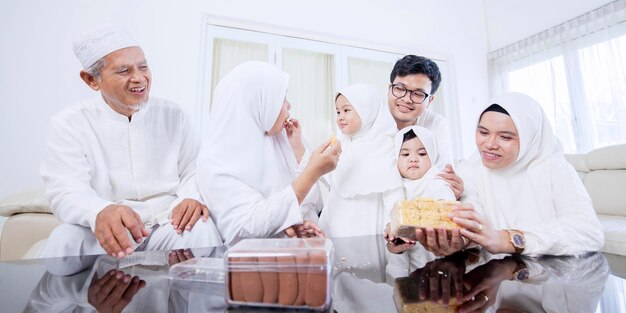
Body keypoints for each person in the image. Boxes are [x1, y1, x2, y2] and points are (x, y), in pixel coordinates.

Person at [39, 24, 222, 259]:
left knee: (203, 230)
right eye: (124, 70)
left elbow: (194, 169)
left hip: (165, 222)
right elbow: (65, 189)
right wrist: (100, 211)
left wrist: (191, 197)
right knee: (64, 241)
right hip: (106, 227)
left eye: (143, 67)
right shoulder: (69, 123)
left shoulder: (174, 116)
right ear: (91, 80)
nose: (139, 78)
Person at [196, 61, 341, 245]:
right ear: (258, 101)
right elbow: (248, 225)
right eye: (282, 98)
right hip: (250, 267)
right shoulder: (213, 162)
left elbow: (312, 203)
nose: (289, 105)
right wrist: (312, 173)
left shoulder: (282, 136)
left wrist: (293, 225)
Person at [451, 92, 604, 256]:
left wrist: (508, 239)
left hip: (553, 272)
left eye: (505, 137)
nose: (489, 144)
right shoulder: (469, 169)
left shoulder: (555, 167)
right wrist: (462, 241)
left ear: (529, 138)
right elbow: (473, 220)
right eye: (483, 133)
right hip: (492, 273)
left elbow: (589, 232)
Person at [317, 84, 403, 238]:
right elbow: (332, 182)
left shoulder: (385, 146)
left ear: (366, 111)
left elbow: (393, 192)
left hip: (368, 229)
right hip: (336, 225)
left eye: (346, 110)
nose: (340, 117)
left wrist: (396, 226)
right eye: (337, 111)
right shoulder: (341, 143)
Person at [385, 55, 464, 199]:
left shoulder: (436, 124)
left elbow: (442, 176)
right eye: (400, 88)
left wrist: (449, 189)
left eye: (418, 94)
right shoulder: (369, 121)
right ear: (389, 88)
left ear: (430, 100)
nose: (406, 99)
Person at [394, 126, 455, 201]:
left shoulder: (435, 178)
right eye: (406, 154)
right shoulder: (394, 183)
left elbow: (443, 192)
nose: (413, 159)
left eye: (421, 154)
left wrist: (442, 201)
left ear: (433, 156)